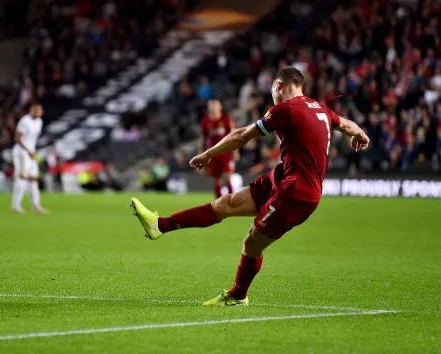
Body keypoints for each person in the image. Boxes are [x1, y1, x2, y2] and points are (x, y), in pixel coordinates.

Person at [130, 67, 370, 306]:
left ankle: (238, 295)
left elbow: (241, 135)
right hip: (283, 176)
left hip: (296, 193)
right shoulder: (319, 107)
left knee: (251, 243)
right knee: (226, 203)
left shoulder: (285, 109)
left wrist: (208, 153)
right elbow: (347, 125)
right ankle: (159, 225)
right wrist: (360, 134)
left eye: (272, 92)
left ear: (278, 86)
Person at [11, 104, 49, 214]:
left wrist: (32, 151)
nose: (37, 112)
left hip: (31, 152)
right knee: (22, 177)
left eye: (39, 111)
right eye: (35, 110)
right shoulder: (25, 121)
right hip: (22, 152)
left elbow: (32, 139)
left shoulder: (39, 122)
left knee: (33, 178)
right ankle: (16, 205)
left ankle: (35, 205)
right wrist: (28, 151)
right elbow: (18, 138)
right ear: (31, 111)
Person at [200, 99, 236, 198]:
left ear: (220, 107)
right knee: (216, 179)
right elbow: (203, 138)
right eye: (211, 105)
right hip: (213, 154)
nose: (213, 107)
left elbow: (233, 135)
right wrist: (201, 153)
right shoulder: (205, 121)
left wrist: (236, 151)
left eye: (215, 105)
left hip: (226, 153)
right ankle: (219, 202)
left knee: (227, 177)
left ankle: (231, 200)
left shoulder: (226, 119)